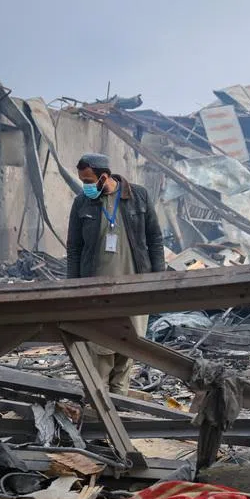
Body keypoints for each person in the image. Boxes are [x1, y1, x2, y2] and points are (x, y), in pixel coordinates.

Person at [66, 152, 165, 393]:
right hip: (96, 290)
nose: (85, 187)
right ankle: (99, 404)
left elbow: (155, 239)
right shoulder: (82, 203)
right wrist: (72, 288)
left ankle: (119, 401)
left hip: (134, 288)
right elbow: (74, 248)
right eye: (83, 182)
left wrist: (158, 281)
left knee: (129, 345)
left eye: (89, 182)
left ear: (105, 177)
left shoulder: (139, 196)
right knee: (99, 346)